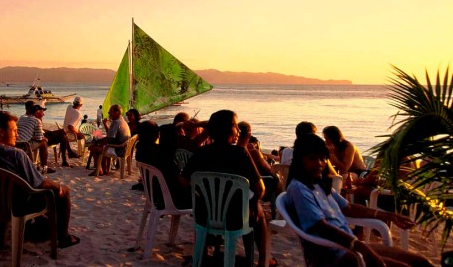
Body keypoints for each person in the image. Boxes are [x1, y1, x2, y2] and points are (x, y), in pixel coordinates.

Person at [285, 133, 432, 267]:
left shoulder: (319, 183)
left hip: (350, 247)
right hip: (333, 255)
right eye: (312, 158)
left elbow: (348, 207)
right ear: (299, 160)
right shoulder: (299, 188)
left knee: (420, 262)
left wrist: (388, 215)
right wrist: (359, 246)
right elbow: (320, 227)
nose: (319, 163)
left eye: (323, 158)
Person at [0, 111, 80, 249]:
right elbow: (40, 183)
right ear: (1, 132)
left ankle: (34, 228)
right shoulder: (16, 154)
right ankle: (63, 237)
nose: (17, 134)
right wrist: (59, 187)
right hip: (21, 205)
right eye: (14, 130)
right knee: (63, 192)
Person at [181, 110, 274, 267]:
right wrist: (252, 201)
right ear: (228, 129)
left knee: (250, 206)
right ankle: (264, 260)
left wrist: (201, 194)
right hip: (234, 218)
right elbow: (260, 189)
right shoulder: (240, 153)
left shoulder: (201, 153)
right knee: (257, 209)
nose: (238, 130)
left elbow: (183, 180)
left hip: (205, 215)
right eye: (236, 126)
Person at [135, 120, 191, 209]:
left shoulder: (141, 150)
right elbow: (180, 180)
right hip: (170, 199)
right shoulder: (162, 157)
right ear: (156, 135)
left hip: (154, 196)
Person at [88, 104, 131, 176]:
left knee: (93, 147)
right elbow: (110, 135)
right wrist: (105, 124)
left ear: (117, 112)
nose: (108, 113)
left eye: (110, 111)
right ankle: (105, 169)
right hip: (123, 148)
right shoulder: (122, 120)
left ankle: (99, 169)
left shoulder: (116, 122)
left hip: (118, 150)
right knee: (102, 145)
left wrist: (97, 142)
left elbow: (109, 138)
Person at [16, 101, 55, 173]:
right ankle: (44, 167)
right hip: (25, 146)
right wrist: (44, 138)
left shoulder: (21, 117)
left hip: (16, 144)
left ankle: (40, 165)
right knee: (44, 142)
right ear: (36, 112)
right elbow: (39, 138)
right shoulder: (36, 120)